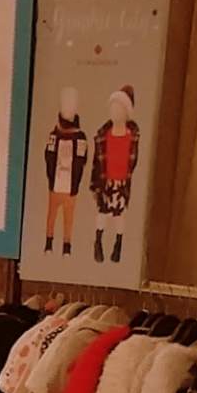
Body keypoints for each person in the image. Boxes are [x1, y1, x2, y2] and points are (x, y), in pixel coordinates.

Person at [88, 85, 140, 264]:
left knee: (119, 215)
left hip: (121, 183)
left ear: (126, 112)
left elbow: (133, 162)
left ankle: (118, 245)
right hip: (106, 182)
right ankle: (98, 242)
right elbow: (97, 162)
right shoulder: (103, 136)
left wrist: (125, 179)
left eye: (119, 108)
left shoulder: (132, 137)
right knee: (102, 213)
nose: (115, 112)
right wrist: (94, 185)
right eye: (112, 108)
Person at [42, 91, 87, 253]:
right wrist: (51, 177)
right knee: (52, 215)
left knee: (68, 217)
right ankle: (49, 242)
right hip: (55, 183)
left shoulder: (80, 137)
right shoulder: (54, 135)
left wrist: (76, 182)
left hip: (70, 186)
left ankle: (67, 245)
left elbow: (82, 160)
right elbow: (48, 156)